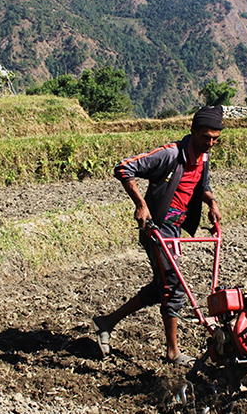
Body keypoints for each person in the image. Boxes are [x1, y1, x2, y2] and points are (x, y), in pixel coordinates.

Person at [93, 106, 223, 367]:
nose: (210, 143)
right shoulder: (170, 155)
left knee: (160, 287)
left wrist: (211, 202)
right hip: (156, 229)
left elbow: (203, 185)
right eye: (206, 137)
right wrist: (141, 204)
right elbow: (124, 167)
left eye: (215, 139)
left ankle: (106, 322)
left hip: (173, 230)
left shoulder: (204, 157)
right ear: (193, 131)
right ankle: (173, 352)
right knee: (174, 287)